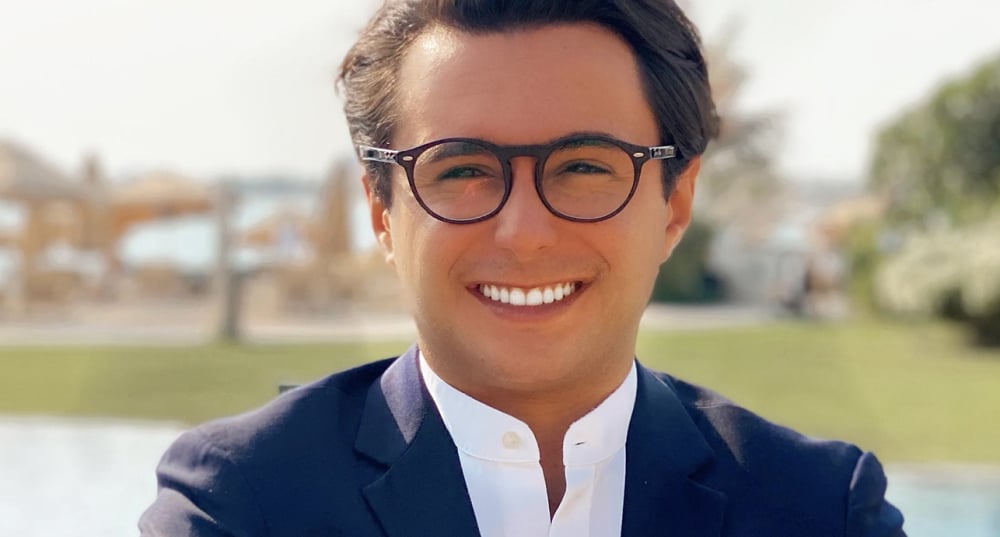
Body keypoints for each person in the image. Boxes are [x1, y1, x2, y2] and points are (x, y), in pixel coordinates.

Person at [139, 1, 906, 535]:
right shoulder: (244, 501)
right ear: (381, 211)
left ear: (675, 204)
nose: (526, 233)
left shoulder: (821, 510)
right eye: (463, 168)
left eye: (583, 165)